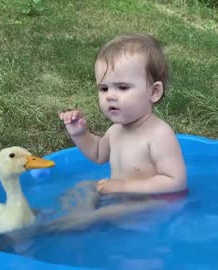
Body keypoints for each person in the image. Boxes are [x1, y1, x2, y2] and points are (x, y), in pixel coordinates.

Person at [54, 32, 188, 231]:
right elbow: (99, 154)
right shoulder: (116, 130)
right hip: (122, 193)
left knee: (99, 216)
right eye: (104, 89)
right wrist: (79, 134)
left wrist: (123, 187)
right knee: (86, 187)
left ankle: (59, 227)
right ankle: (74, 216)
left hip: (157, 202)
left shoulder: (159, 135)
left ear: (154, 92)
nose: (110, 96)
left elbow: (176, 182)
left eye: (122, 87)